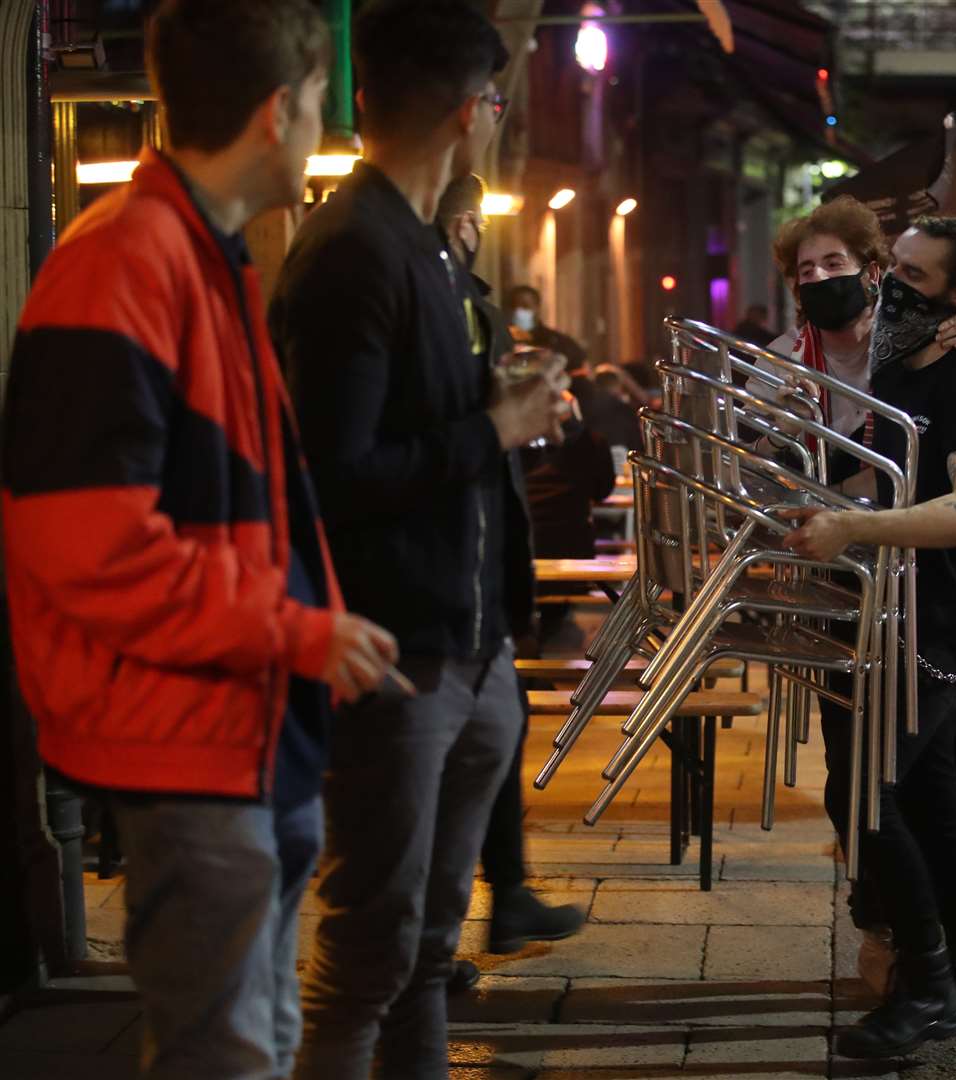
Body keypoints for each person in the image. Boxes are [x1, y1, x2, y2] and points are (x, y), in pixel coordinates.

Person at [1, 2, 401, 1075]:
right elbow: (92, 545)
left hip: (233, 726)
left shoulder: (185, 253)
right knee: (225, 1053)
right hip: (189, 732)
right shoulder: (127, 261)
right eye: (322, 107)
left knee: (249, 1043)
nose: (328, 131)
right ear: (279, 114)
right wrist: (291, 631)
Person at [269, 3, 565, 1075]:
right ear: (464, 111)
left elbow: (414, 422)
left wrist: (499, 401)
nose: (492, 121)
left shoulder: (427, 245)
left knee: (427, 950)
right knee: (369, 952)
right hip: (396, 651)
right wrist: (495, 425)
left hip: (467, 646)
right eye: (493, 101)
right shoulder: (355, 250)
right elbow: (331, 476)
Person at [756, 195, 956, 1006]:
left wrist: (848, 522)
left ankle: (929, 977)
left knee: (873, 790)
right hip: (882, 604)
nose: (890, 289)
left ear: (954, 296)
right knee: (924, 785)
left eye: (909, 276)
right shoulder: (893, 366)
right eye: (894, 271)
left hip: (936, 617)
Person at [433, 174, 588, 998]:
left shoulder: (458, 291)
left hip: (485, 566)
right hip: (443, 575)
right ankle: (426, 950)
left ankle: (500, 900)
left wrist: (518, 411)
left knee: (494, 729)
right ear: (462, 219)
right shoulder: (416, 282)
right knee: (454, 753)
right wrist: (504, 418)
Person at [505, 282, 587, 367]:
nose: (518, 311)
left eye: (525, 306)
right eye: (513, 306)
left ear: (537, 308)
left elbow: (579, 369)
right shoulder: (501, 341)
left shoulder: (556, 342)